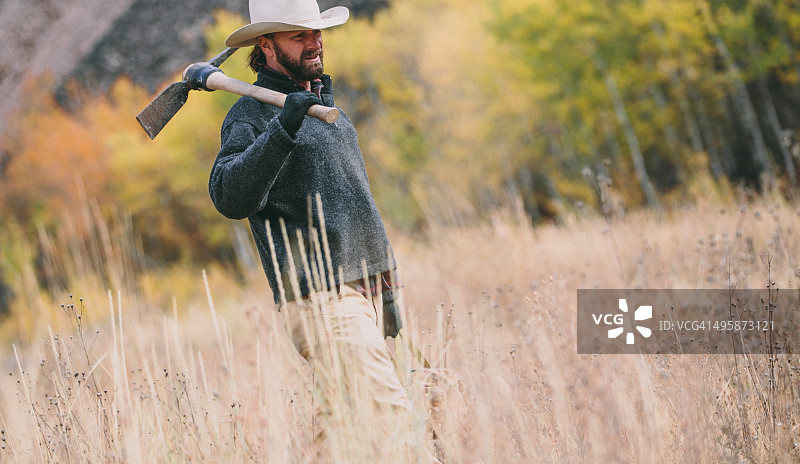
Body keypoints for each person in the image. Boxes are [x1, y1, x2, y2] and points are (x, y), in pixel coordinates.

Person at [208, 0, 412, 456]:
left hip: (362, 293)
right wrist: (282, 127)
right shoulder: (251, 116)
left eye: (316, 33)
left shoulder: (324, 108)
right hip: (319, 298)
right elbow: (229, 197)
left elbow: (356, 204)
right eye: (299, 35)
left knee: (336, 436)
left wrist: (385, 284)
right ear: (267, 45)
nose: (315, 42)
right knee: (393, 416)